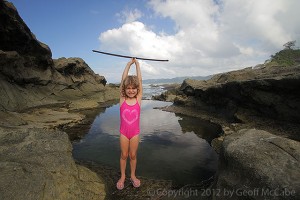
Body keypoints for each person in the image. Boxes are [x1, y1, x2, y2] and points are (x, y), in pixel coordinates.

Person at [117, 58, 143, 190]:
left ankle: (132, 176)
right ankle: (122, 176)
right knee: (124, 155)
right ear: (125, 89)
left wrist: (137, 64)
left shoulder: (138, 99)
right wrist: (128, 64)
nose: (131, 90)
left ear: (137, 90)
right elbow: (122, 81)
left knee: (133, 155)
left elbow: (140, 80)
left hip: (134, 134)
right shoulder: (123, 99)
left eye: (134, 88)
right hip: (123, 133)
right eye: (128, 88)